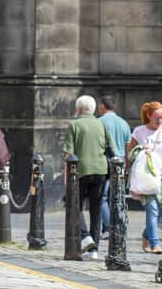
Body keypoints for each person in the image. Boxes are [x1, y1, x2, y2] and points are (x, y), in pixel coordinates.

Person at [63, 95, 115, 260]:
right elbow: (110, 148)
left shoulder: (74, 125)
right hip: (100, 170)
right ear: (92, 109)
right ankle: (95, 250)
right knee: (96, 209)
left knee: (73, 204)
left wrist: (67, 177)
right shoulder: (101, 124)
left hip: (81, 171)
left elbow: (68, 153)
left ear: (78, 109)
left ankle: (85, 236)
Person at [126, 101, 162, 253]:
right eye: (157, 118)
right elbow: (130, 153)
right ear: (148, 115)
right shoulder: (139, 131)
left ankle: (146, 235)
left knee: (159, 214)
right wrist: (141, 150)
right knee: (152, 209)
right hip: (148, 177)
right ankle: (155, 244)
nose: (160, 121)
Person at [97, 95, 131, 239]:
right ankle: (120, 226)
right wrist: (128, 166)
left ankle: (108, 228)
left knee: (102, 197)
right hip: (121, 163)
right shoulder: (124, 123)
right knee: (119, 196)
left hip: (105, 164)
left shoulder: (99, 122)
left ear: (102, 106)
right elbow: (128, 147)